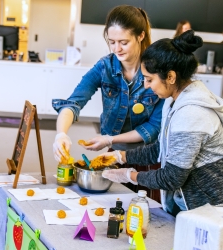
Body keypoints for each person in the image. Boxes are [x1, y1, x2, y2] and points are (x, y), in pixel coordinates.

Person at [101, 30, 223, 216]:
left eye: (150, 79)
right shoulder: (173, 101)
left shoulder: (192, 114)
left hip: (209, 210)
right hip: (192, 206)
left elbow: (172, 177)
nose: (147, 85)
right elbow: (161, 148)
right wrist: (121, 156)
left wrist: (130, 176)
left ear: (171, 77)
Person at [52, 5, 164, 195]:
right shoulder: (105, 66)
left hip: (148, 157)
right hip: (114, 155)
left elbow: (152, 129)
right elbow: (74, 102)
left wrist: (109, 139)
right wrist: (61, 134)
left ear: (141, 36)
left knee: (143, 211)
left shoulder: (156, 70)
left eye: (123, 42)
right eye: (111, 42)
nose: (116, 49)